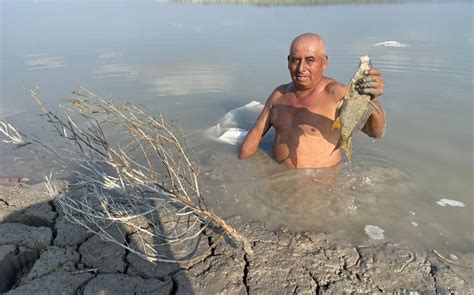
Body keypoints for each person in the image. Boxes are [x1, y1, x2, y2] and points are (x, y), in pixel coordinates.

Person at [239, 33, 386, 168]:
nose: (301, 68)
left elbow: (376, 133)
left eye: (310, 60)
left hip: (321, 184)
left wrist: (371, 98)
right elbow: (256, 133)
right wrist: (240, 164)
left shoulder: (336, 93)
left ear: (324, 62)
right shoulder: (279, 94)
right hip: (278, 179)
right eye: (295, 60)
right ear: (288, 61)